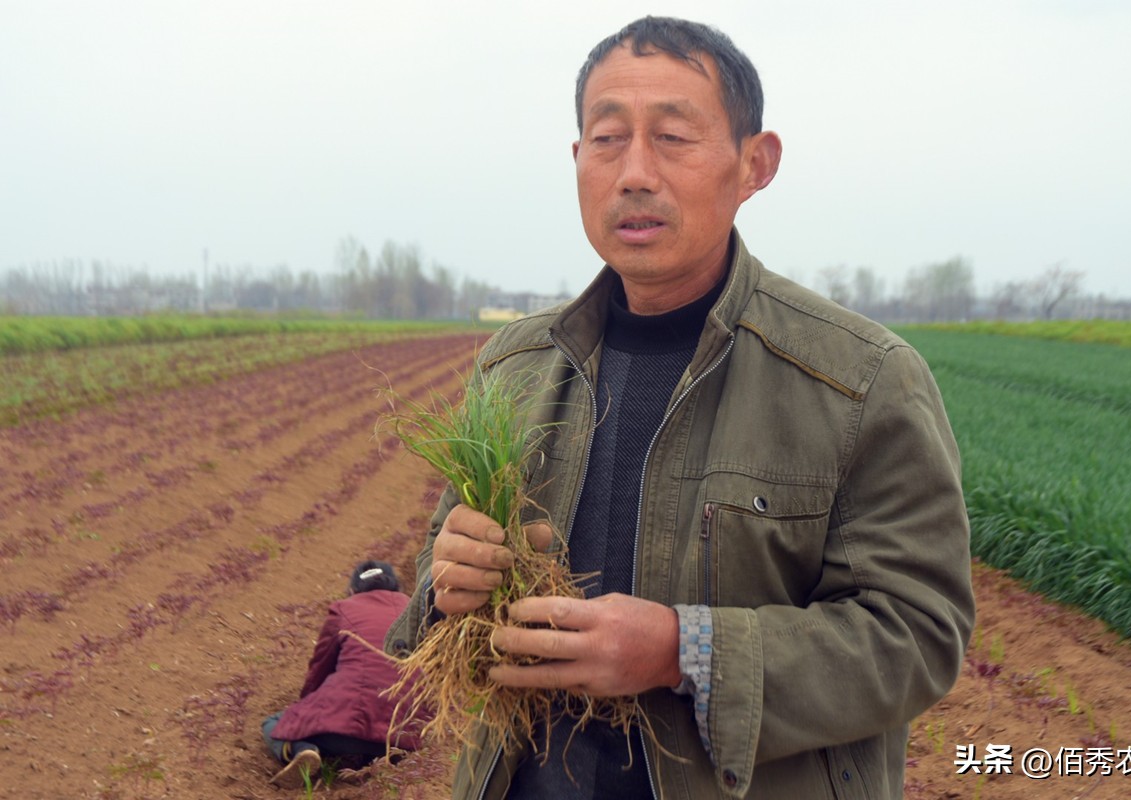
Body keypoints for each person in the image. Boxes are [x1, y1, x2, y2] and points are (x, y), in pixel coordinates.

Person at [386, 15, 974, 800]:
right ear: (577, 159)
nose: (634, 172)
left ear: (754, 164)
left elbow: (918, 635)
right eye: (607, 139)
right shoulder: (513, 367)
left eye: (672, 137)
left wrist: (682, 652)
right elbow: (434, 589)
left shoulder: (861, 380)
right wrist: (446, 584)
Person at [263, 560, 427, 789]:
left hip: (342, 733)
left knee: (274, 724)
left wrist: (306, 709)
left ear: (353, 591)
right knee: (383, 734)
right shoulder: (416, 610)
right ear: (396, 587)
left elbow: (319, 668)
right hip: (403, 736)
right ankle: (384, 762)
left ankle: (304, 750)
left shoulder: (345, 608)